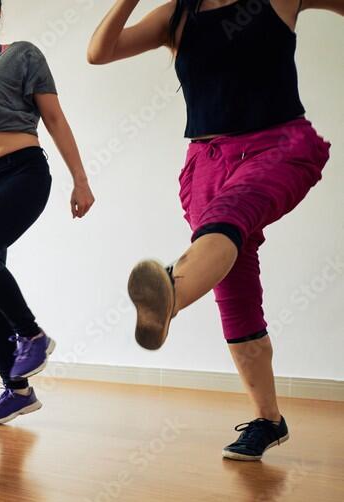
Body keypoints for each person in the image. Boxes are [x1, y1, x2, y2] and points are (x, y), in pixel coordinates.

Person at [88, 0, 338, 459]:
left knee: (230, 219)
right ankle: (269, 420)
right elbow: (99, 52)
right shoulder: (177, 15)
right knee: (233, 291)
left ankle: (171, 293)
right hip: (207, 163)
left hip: (278, 147)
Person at [0, 0, 95, 425]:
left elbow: (53, 117)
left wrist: (81, 179)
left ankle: (32, 334)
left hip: (22, 172)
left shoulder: (22, 54)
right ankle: (16, 391)